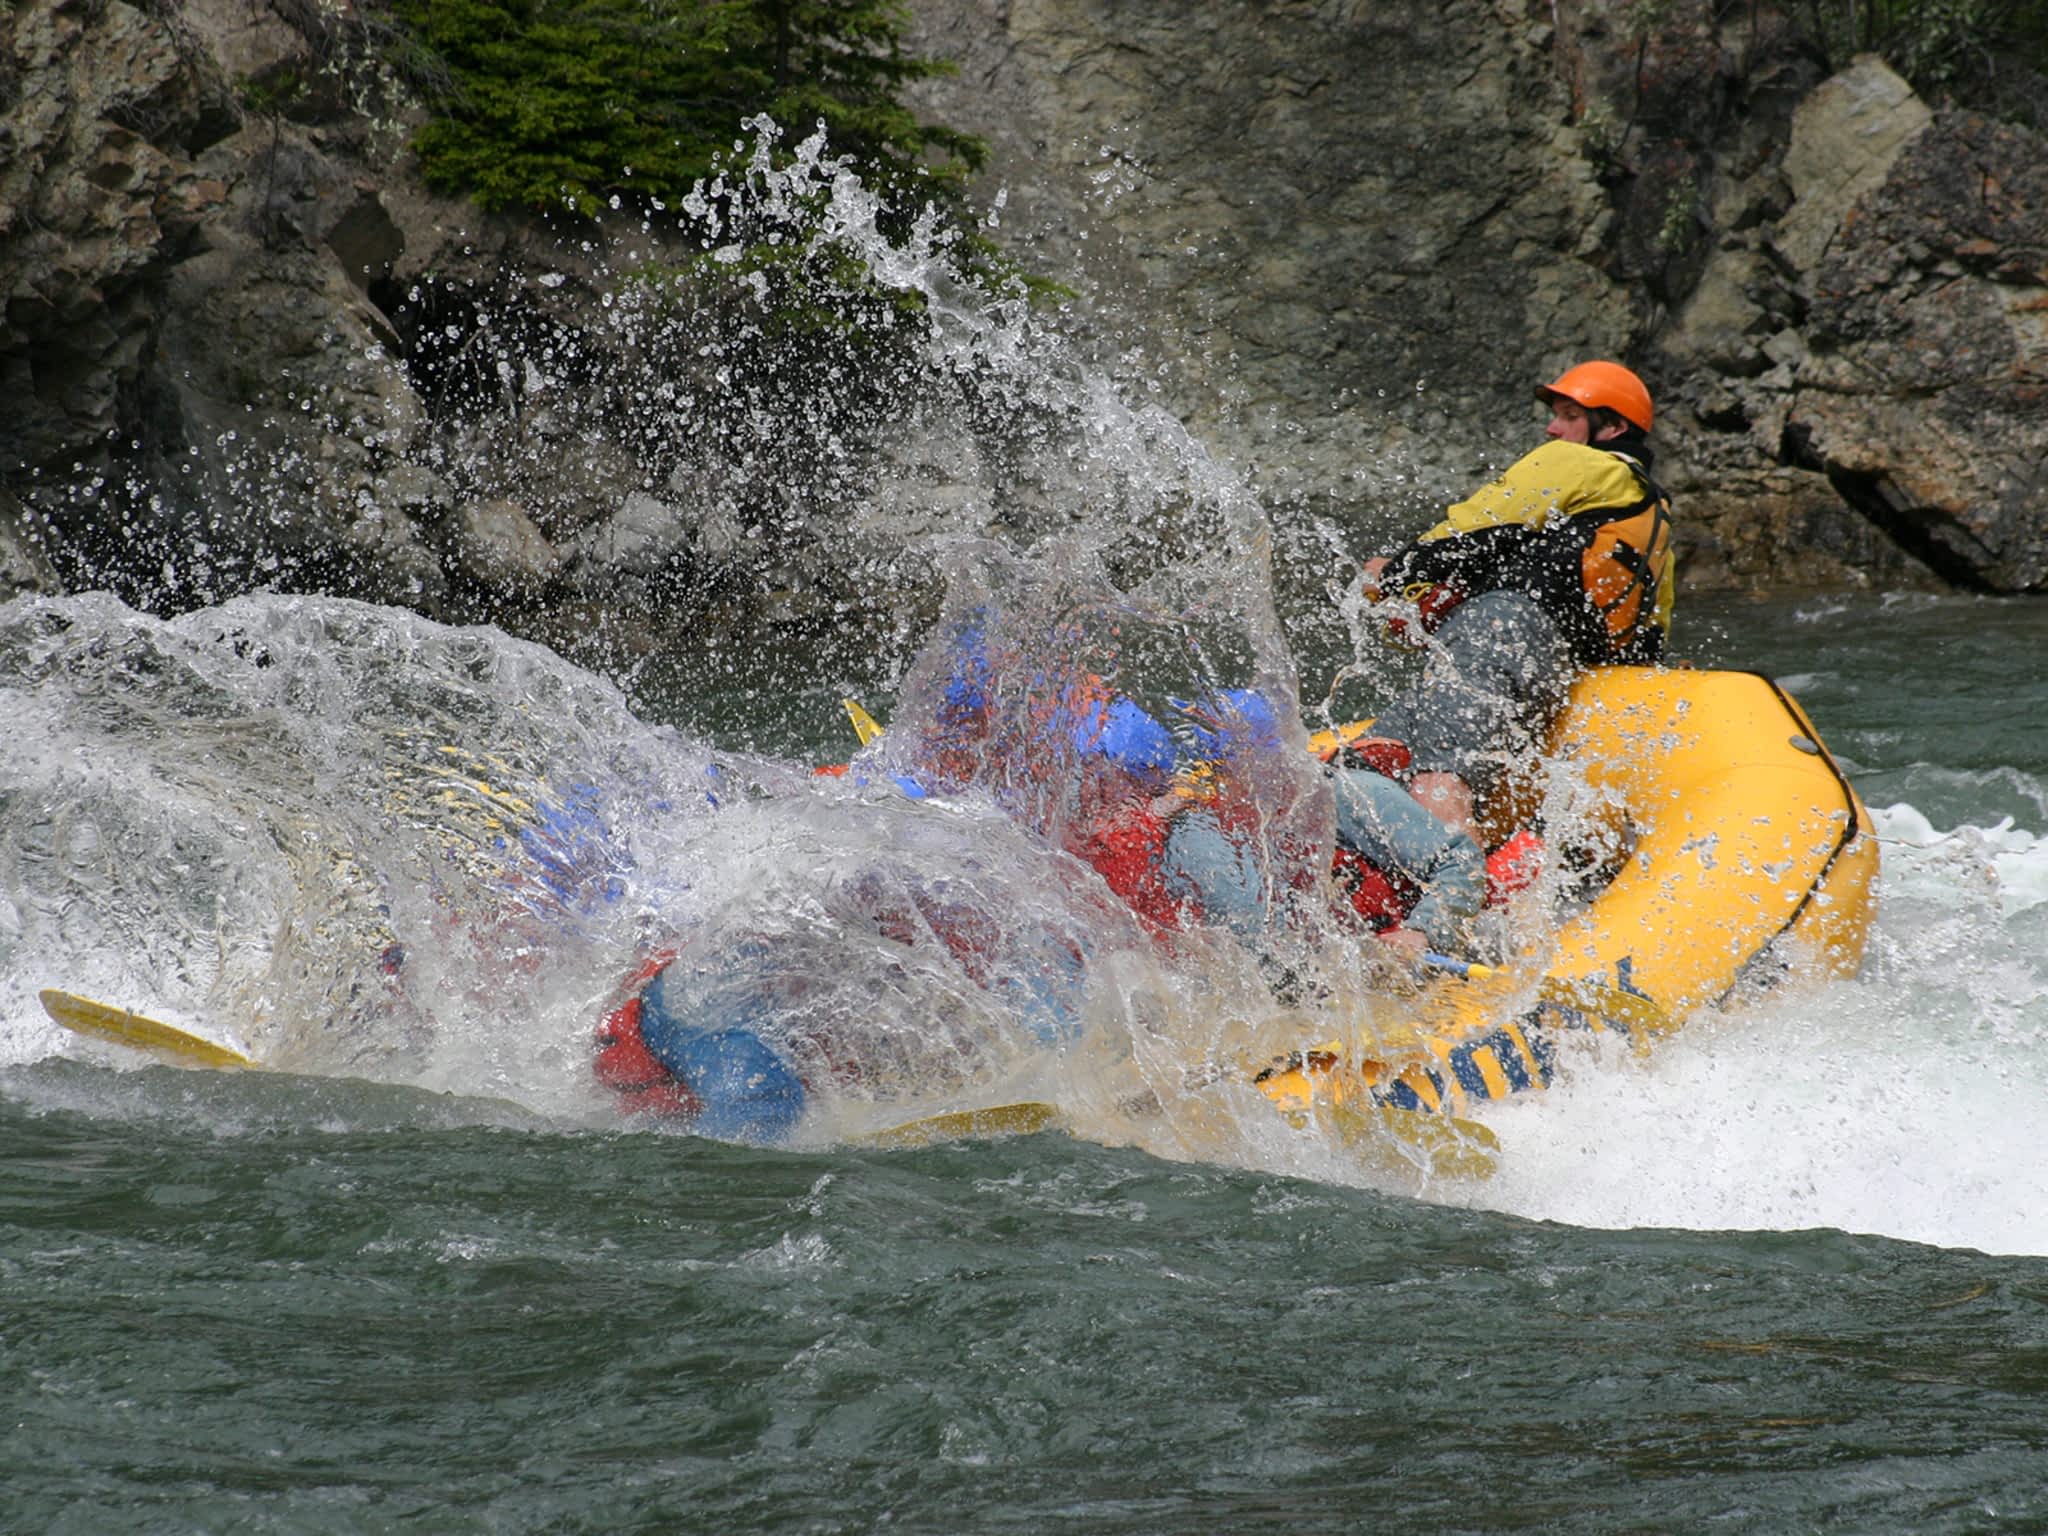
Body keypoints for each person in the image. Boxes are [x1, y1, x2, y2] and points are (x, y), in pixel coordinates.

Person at [1356, 360, 1675, 846]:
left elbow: (1471, 529)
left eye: (1570, 416)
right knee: (1366, 763)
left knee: (1435, 775)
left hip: (1499, 630)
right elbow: (1650, 631)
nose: (1553, 428)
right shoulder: (1655, 513)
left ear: (1612, 427)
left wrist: (1394, 575)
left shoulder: (1577, 462)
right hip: (1550, 668)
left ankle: (1450, 875)